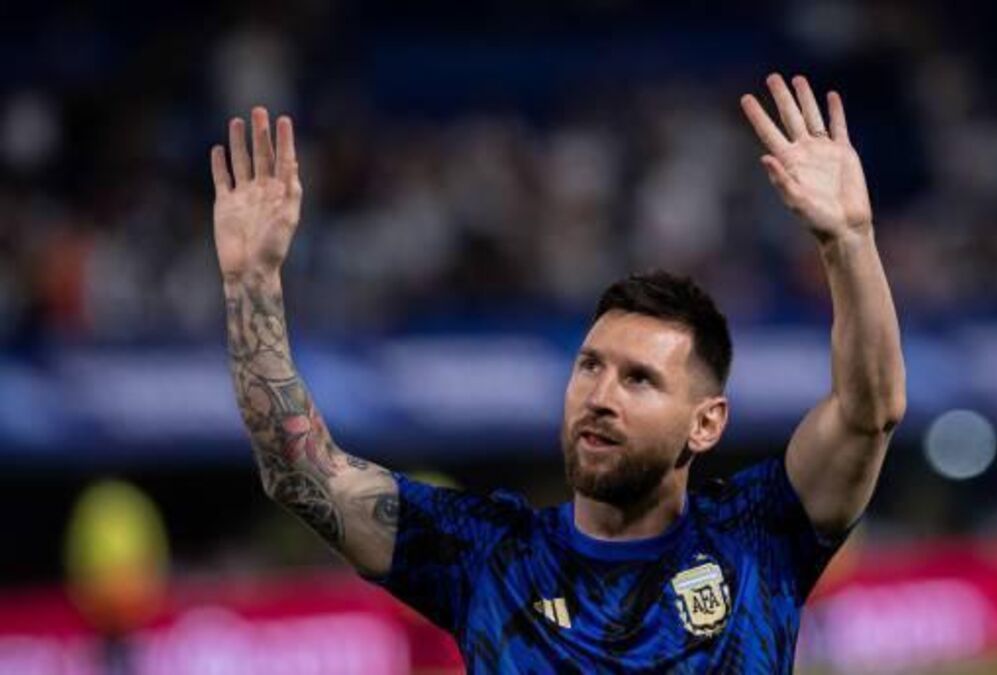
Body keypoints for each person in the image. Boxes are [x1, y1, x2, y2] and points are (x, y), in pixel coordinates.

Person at [209, 72, 905, 672]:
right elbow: (301, 471)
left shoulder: (756, 538)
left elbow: (867, 412)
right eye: (590, 366)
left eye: (639, 379)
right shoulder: (487, 557)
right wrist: (252, 282)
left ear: (706, 422)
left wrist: (849, 242)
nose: (600, 395)